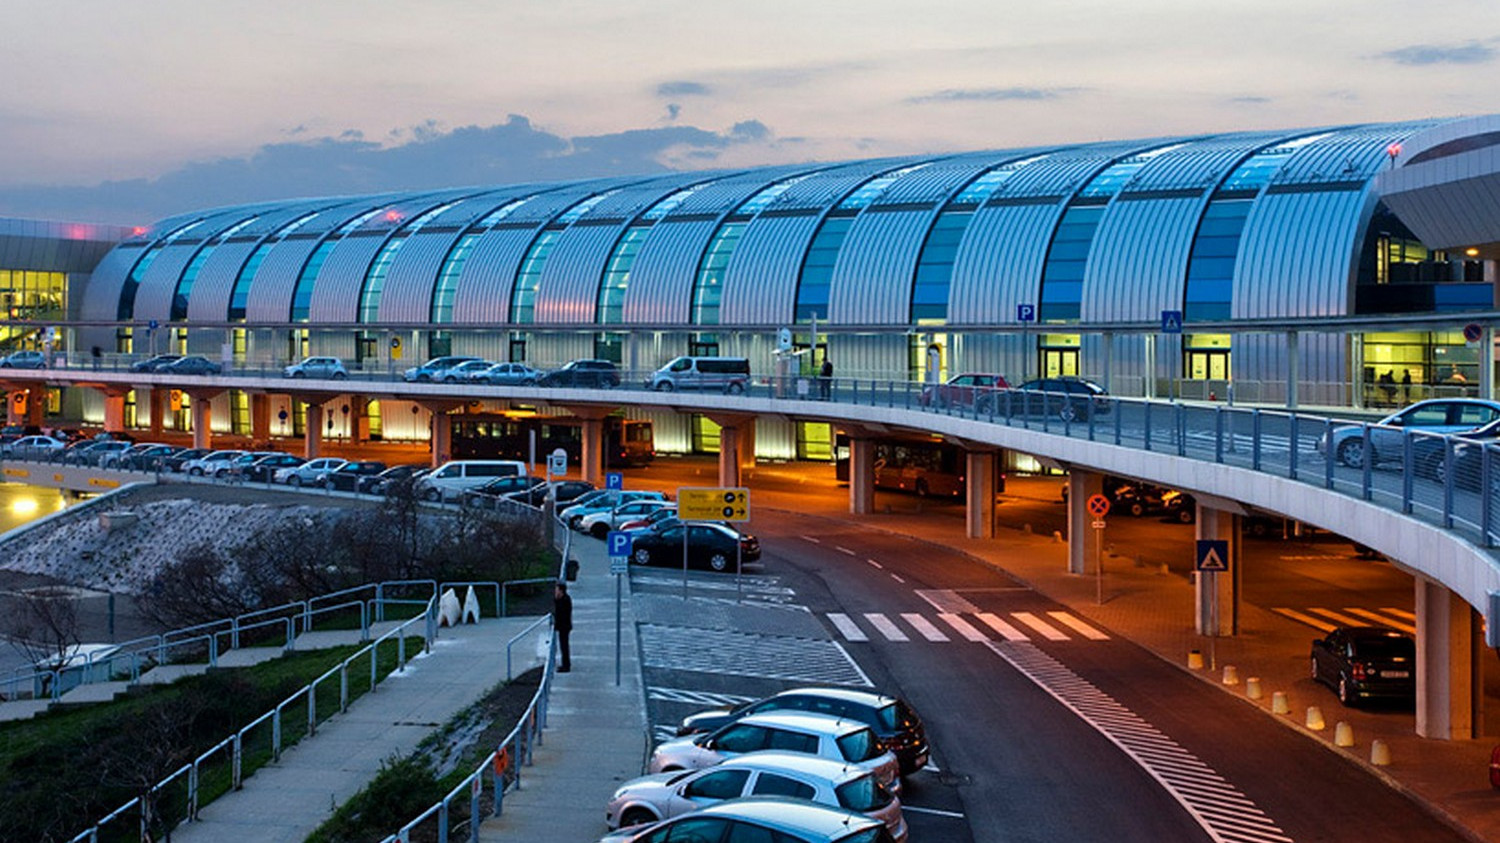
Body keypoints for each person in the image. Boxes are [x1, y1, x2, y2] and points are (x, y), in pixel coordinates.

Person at [552, 581, 573, 672]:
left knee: (564, 646)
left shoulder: (565, 600)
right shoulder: (562, 599)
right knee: (563, 646)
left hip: (564, 626)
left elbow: (561, 614)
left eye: (557, 590)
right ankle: (565, 664)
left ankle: (566, 665)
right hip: (563, 626)